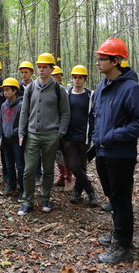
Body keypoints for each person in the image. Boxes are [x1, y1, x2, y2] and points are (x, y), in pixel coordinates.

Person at [93, 38, 139, 264]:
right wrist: (97, 140)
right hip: (102, 152)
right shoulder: (101, 86)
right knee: (112, 197)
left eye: (102, 59)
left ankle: (124, 244)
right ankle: (117, 232)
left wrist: (113, 136)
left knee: (121, 199)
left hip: (121, 155)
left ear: (115, 61)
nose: (97, 62)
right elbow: (97, 117)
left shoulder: (131, 88)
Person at [17, 53, 70, 216]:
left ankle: (46, 197)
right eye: (39, 67)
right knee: (29, 169)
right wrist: (21, 132)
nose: (41, 70)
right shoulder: (30, 88)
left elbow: (65, 113)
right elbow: (24, 112)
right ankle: (28, 201)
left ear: (51, 69)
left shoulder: (59, 90)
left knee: (48, 169)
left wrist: (60, 133)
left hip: (51, 136)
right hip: (32, 135)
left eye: (44, 67)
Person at [64, 65, 98, 206]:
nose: (77, 80)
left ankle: (77, 192)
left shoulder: (91, 95)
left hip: (84, 136)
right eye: (75, 77)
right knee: (73, 165)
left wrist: (95, 133)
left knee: (82, 166)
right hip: (68, 136)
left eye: (80, 77)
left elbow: (95, 115)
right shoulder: (67, 94)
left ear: (84, 79)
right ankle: (90, 190)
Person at [0, 77, 24, 201]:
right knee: (9, 165)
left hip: (16, 141)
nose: (5, 92)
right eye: (4, 90)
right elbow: (2, 123)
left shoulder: (21, 105)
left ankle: (23, 189)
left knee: (20, 165)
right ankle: (11, 186)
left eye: (8, 90)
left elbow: (23, 124)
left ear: (15, 91)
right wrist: (0, 138)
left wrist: (13, 133)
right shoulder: (3, 105)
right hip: (6, 141)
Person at [18, 61, 42, 186]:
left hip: (34, 122)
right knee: (22, 149)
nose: (23, 75)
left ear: (32, 72)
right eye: (22, 72)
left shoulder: (37, 86)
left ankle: (38, 174)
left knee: (36, 149)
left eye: (26, 72)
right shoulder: (17, 87)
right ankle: (24, 174)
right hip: (21, 123)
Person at [51, 65, 73, 191]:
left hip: (63, 128)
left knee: (66, 154)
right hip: (52, 127)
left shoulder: (64, 91)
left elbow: (66, 111)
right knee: (57, 154)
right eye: (54, 76)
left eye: (58, 76)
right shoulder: (48, 91)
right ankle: (61, 175)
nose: (56, 78)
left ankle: (68, 179)